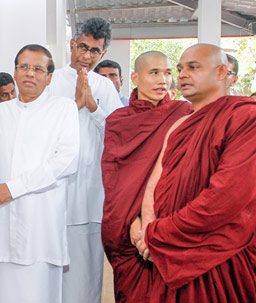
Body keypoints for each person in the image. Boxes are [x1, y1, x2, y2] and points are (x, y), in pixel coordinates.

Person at [131, 43, 256, 302]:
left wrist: (161, 233)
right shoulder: (181, 123)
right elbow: (153, 185)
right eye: (180, 68)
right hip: (167, 252)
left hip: (214, 251)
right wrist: (148, 227)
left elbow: (227, 198)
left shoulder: (250, 117)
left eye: (194, 67)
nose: (182, 75)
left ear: (223, 72)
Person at [0, 44, 80, 303]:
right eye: (24, 67)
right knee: (4, 293)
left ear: (49, 77)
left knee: (40, 294)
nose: (30, 73)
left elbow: (66, 162)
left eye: (38, 68)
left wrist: (10, 189)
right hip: (5, 225)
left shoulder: (63, 109)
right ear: (15, 72)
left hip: (42, 225)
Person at [101, 51, 192, 302]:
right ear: (135, 77)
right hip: (128, 226)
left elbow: (188, 172)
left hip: (169, 222)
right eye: (154, 73)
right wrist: (132, 220)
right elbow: (114, 178)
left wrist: (156, 223)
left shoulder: (184, 113)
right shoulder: (118, 121)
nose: (163, 80)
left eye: (168, 73)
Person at [47, 17, 122, 303]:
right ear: (71, 45)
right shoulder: (51, 81)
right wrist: (73, 106)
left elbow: (117, 133)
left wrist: (92, 106)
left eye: (95, 51)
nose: (87, 56)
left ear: (103, 54)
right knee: (52, 269)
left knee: (86, 274)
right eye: (83, 47)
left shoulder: (105, 87)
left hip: (90, 193)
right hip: (54, 190)